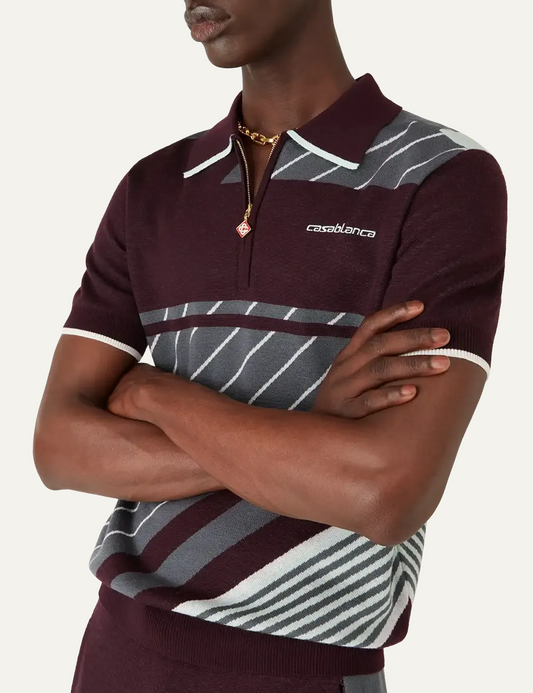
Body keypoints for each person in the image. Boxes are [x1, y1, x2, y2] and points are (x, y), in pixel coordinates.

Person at [33, 1, 508, 691]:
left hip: (308, 669)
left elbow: (383, 491)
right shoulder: (151, 188)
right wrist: (306, 438)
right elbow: (57, 447)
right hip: (117, 656)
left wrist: (152, 393)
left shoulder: (442, 177)